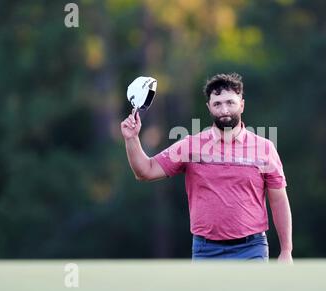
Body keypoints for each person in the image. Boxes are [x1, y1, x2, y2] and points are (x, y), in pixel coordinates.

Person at [121, 73, 293, 263]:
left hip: (252, 249)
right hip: (206, 250)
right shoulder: (190, 146)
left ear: (242, 105)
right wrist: (131, 138)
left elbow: (278, 201)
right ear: (209, 108)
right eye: (217, 104)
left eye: (230, 102)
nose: (224, 109)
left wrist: (286, 250)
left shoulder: (265, 148)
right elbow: (145, 171)